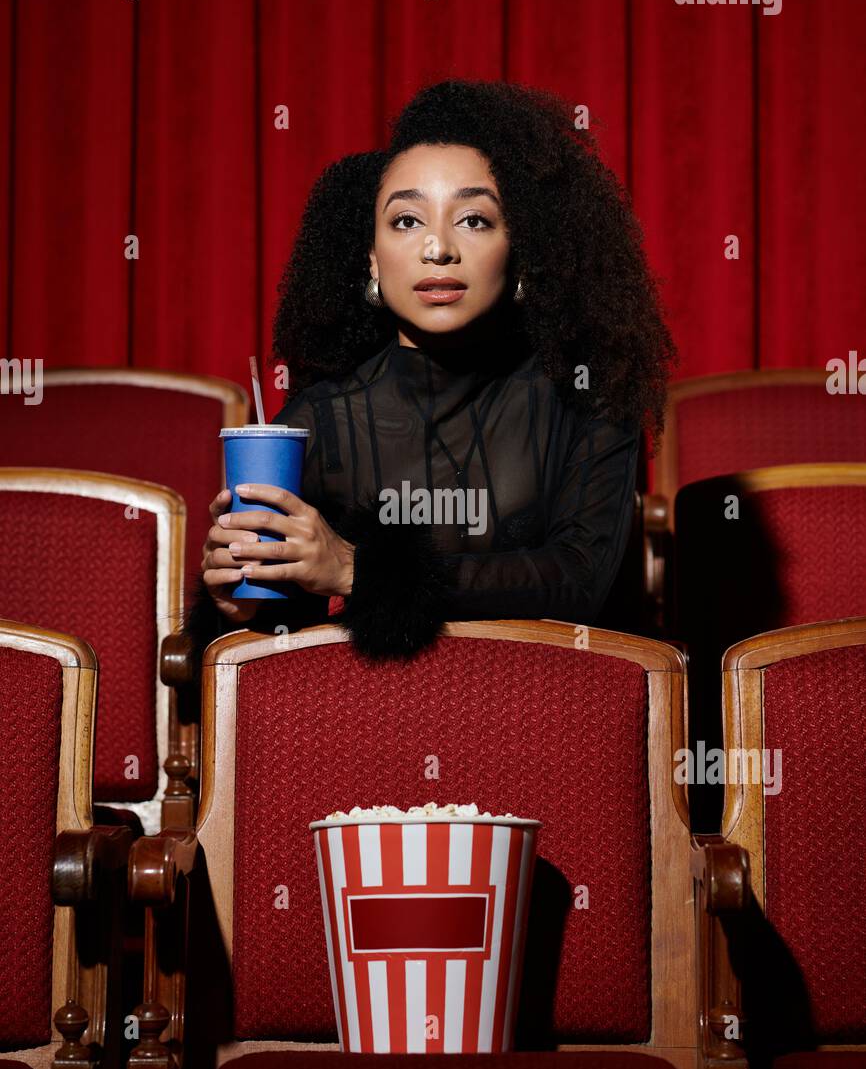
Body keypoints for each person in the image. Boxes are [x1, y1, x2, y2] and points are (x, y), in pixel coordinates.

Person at [185, 79, 676, 666]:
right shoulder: (317, 420)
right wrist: (238, 604)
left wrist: (355, 568)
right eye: (406, 221)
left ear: (523, 250)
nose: (437, 248)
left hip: (551, 723)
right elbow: (285, 642)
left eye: (473, 220)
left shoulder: (590, 397)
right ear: (371, 258)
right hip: (367, 728)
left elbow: (579, 582)